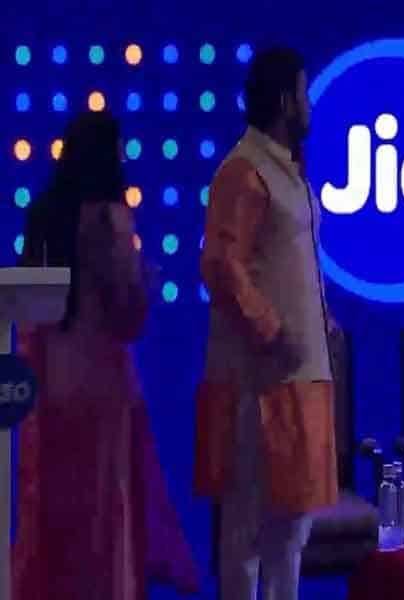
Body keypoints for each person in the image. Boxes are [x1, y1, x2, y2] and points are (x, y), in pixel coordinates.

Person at [13, 110, 200, 599]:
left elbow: (27, 312)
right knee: (104, 522)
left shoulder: (42, 215)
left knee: (56, 521)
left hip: (51, 389)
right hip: (103, 393)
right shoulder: (109, 219)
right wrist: (145, 282)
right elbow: (128, 314)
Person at [195, 47, 338, 600]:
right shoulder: (245, 170)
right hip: (258, 383)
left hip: (298, 379)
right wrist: (273, 331)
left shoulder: (287, 170)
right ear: (283, 101)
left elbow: (285, 262)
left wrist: (321, 319)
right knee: (249, 532)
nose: (309, 106)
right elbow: (221, 266)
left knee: (291, 529)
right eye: (303, 94)